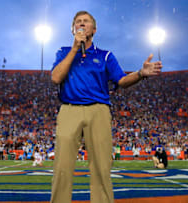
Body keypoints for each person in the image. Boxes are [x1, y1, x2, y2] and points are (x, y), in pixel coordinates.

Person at [50, 11, 162, 203]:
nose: (82, 24)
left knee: (101, 166)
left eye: (86, 22)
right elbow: (56, 77)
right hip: (69, 109)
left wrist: (140, 73)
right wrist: (75, 48)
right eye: (78, 22)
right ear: (72, 29)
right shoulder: (62, 52)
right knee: (62, 167)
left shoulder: (106, 56)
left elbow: (122, 80)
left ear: (94, 29)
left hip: (99, 110)